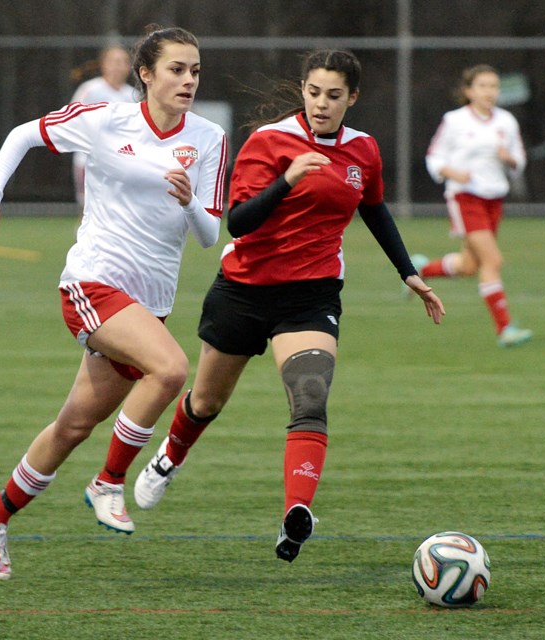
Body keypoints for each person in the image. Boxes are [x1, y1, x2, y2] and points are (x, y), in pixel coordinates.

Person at [132, 49, 445, 564]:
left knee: (311, 397)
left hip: (311, 296)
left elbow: (374, 208)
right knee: (206, 402)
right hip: (244, 290)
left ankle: (296, 514)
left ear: (353, 98)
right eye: (315, 92)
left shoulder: (363, 150)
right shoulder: (269, 141)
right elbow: (239, 223)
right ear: (303, 89)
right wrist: (289, 180)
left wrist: (408, 272)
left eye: (335, 96)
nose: (322, 105)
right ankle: (169, 457)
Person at [0, 25, 228, 580]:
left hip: (148, 303)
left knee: (72, 427)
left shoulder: (208, 137)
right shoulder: (105, 120)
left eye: (196, 70)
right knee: (171, 368)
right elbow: (22, 135)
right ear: (147, 75)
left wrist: (188, 203)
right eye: (177, 69)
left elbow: (209, 233)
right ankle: (108, 482)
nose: (188, 79)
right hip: (93, 282)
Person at [413, 64, 531, 348]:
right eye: (483, 86)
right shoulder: (454, 121)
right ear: (468, 91)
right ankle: (505, 329)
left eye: (494, 86)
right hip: (465, 197)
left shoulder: (506, 122)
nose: (490, 91)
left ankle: (421, 272)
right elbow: (434, 158)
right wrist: (453, 173)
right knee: (493, 261)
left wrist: (510, 159)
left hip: (493, 199)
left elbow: (519, 160)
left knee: (469, 266)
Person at [69, 45, 138, 217]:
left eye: (124, 62)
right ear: (104, 65)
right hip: (89, 159)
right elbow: (71, 118)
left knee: (119, 209)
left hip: (122, 161)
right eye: (115, 61)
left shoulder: (134, 96)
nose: (119, 66)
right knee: (88, 209)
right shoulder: (90, 89)